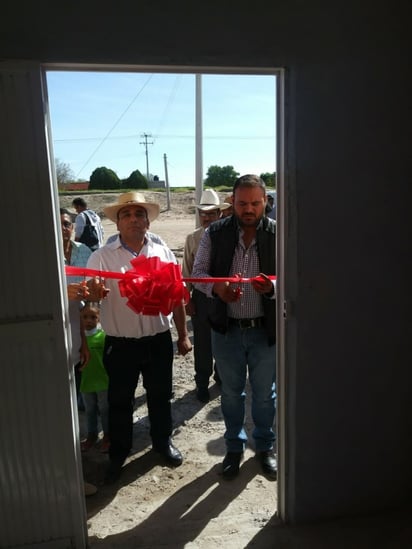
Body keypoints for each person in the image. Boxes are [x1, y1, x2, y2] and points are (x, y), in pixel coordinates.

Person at [85, 191, 192, 484]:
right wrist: (92, 292)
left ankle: (161, 443)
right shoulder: (102, 257)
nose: (133, 219)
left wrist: (182, 335)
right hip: (120, 345)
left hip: (158, 340)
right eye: (126, 215)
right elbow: (89, 293)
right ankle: (119, 452)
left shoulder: (163, 253)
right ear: (117, 223)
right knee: (120, 401)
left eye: (139, 214)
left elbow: (177, 297)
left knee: (160, 395)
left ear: (147, 221)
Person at [191, 174, 277, 480]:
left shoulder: (280, 234)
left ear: (266, 201)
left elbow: (294, 276)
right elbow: (199, 272)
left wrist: (273, 290)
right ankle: (234, 448)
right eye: (242, 203)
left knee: (265, 395)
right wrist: (217, 290)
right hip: (226, 330)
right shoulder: (214, 232)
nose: (249, 209)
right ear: (233, 202)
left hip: (265, 331)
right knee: (231, 393)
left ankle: (265, 448)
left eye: (255, 202)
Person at [60, 209, 97, 497]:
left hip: (75, 338)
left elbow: (80, 303)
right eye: (57, 223)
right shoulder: (43, 257)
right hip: (49, 348)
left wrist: (84, 342)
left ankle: (73, 473)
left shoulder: (83, 251)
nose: (63, 228)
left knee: (73, 411)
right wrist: (64, 292)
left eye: (67, 224)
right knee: (60, 415)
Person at [182, 189, 231, 403]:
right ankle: (202, 383)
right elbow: (186, 272)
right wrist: (187, 300)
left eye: (211, 213)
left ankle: (221, 377)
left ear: (220, 213)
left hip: (224, 298)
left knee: (224, 339)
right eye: (203, 212)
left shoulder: (230, 236)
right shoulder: (192, 238)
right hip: (201, 300)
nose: (206, 217)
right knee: (202, 343)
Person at [79, 303, 110, 454]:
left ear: (99, 318)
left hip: (103, 380)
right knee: (89, 410)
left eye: (93, 317)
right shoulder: (78, 338)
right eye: (85, 317)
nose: (88, 320)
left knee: (105, 410)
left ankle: (108, 436)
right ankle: (92, 436)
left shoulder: (103, 337)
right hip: (86, 382)